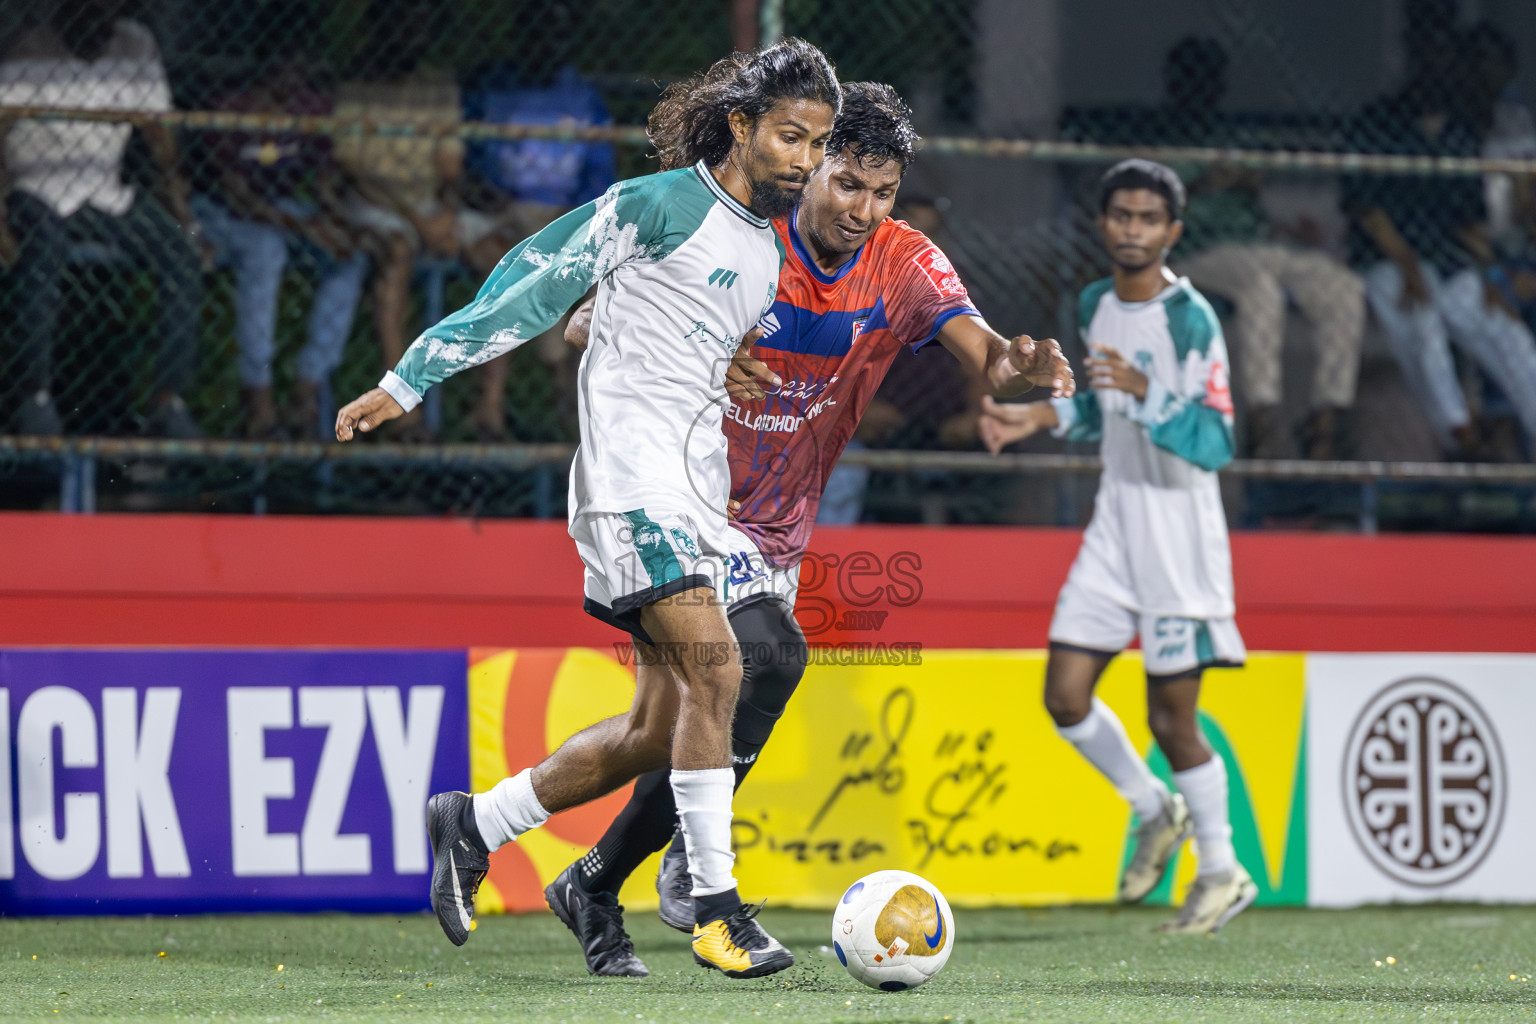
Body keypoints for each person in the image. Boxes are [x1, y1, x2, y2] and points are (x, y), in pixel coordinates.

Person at [334, 39, 843, 980]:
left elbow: (636, 318)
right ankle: (716, 910)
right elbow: (536, 279)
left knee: (660, 726)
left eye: (816, 143)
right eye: (788, 136)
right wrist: (409, 379)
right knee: (721, 666)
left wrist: (709, 358)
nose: (805, 161)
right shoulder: (654, 205)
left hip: (696, 494)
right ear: (740, 126)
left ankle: (475, 821)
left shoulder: (765, 248)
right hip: (630, 484)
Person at [549, 83, 1073, 976]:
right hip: (684, 502)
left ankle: (571, 870)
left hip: (778, 530)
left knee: (671, 724)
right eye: (846, 185)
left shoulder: (904, 262)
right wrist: (700, 348)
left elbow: (986, 358)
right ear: (812, 165)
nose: (864, 210)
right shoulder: (739, 235)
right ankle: (689, 877)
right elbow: (580, 324)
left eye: (883, 192)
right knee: (767, 663)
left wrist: (1021, 376)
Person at [978, 160, 1255, 934]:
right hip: (1116, 524)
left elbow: (1219, 438)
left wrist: (1147, 392)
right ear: (1103, 224)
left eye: (1147, 218)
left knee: (1172, 721)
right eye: (1120, 216)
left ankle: (1224, 874)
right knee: (1064, 693)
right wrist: (1032, 420)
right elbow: (1101, 412)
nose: (1131, 229)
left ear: (1173, 231)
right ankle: (1151, 807)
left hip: (1177, 536)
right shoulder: (1096, 303)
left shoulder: (1191, 318)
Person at [1154, 36, 1365, 460]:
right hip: (1197, 252)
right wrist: (1203, 184)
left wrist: (1279, 218)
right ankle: (1263, 418)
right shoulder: (1159, 138)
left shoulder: (1233, 135)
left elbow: (1253, 197)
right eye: (1193, 79)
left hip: (1259, 242)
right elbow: (1148, 211)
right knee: (1260, 286)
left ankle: (1326, 417)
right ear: (1174, 84)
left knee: (1342, 287)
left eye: (1211, 80)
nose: (1204, 90)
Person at [0, 0, 205, 437]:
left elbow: (160, 141)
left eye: (108, 14)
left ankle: (169, 401)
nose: (100, 23)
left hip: (106, 192)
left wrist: (185, 221)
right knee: (44, 247)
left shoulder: (136, 44)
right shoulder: (31, 48)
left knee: (180, 254)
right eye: (90, 13)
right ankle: (34, 395)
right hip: (37, 188)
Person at [1344, 16, 1536, 458]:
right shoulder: (1379, 119)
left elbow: (1468, 220)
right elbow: (1369, 212)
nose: (1438, 68)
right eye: (1428, 57)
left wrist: (1492, 276)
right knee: (1422, 317)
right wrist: (1409, 267)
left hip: (1448, 261)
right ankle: (1460, 436)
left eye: (1445, 58)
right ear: (1413, 61)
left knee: (1504, 328)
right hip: (1388, 262)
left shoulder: (1459, 128)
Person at [331, 0, 522, 441]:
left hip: (430, 203)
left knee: (504, 258)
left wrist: (447, 216)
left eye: (418, 27)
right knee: (397, 253)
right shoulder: (355, 86)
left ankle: (487, 412)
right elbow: (353, 175)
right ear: (378, 28)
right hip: (372, 202)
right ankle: (402, 408)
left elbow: (449, 169)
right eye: (400, 24)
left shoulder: (437, 85)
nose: (410, 37)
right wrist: (419, 220)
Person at [191, 51, 370, 439]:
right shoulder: (231, 108)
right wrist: (305, 227)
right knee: (266, 251)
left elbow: (322, 185)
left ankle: (308, 384)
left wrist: (338, 225)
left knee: (348, 256)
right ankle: (258, 394)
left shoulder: (311, 109)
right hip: (220, 210)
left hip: (283, 207)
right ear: (265, 65)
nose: (294, 75)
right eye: (286, 63)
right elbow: (237, 196)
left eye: (301, 67)